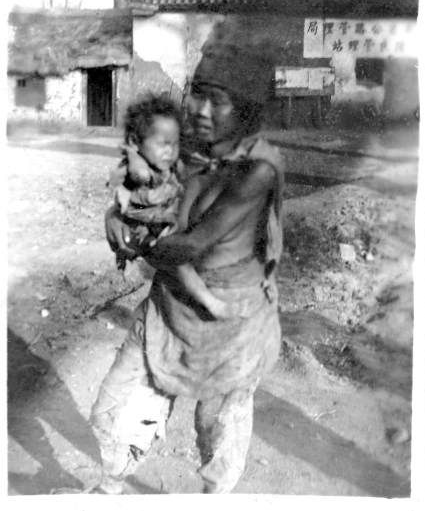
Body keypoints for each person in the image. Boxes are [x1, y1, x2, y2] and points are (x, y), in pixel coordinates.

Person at [88, 62, 285, 495]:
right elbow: (138, 200)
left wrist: (138, 238)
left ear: (247, 111)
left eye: (219, 100)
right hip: (167, 310)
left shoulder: (256, 172)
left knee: (215, 436)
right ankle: (106, 493)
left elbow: (191, 246)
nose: (202, 109)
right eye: (198, 93)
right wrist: (114, 218)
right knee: (111, 414)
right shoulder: (181, 152)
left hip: (229, 325)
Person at [110, 95, 228, 317]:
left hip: (162, 221)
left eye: (175, 144)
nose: (170, 151)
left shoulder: (161, 160)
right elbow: (137, 177)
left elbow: (184, 164)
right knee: (178, 262)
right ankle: (209, 301)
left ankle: (165, 307)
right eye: (164, 144)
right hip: (146, 227)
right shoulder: (136, 166)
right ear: (135, 142)